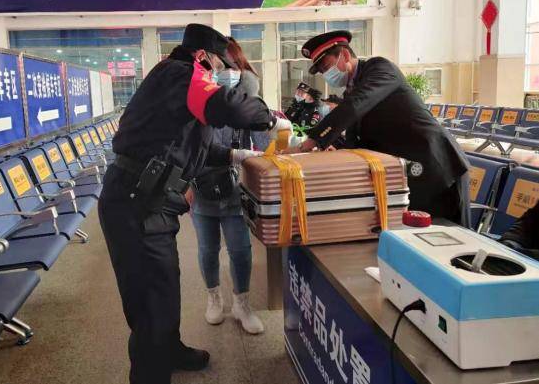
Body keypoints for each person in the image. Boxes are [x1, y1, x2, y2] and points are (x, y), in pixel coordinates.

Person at [98, 23, 291, 384]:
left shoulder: (173, 79)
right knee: (150, 300)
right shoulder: (182, 74)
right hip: (137, 202)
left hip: (151, 199)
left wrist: (234, 154)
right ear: (202, 56)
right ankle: (150, 375)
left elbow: (190, 145)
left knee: (165, 285)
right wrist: (270, 118)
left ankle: (170, 350)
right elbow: (226, 106)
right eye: (219, 66)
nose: (220, 74)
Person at [290, 30, 471, 227]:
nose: (326, 75)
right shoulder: (353, 89)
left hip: (436, 166)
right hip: (408, 174)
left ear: (345, 55)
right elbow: (354, 137)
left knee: (447, 237)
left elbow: (355, 106)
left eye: (326, 67)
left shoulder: (380, 69)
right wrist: (335, 150)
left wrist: (311, 142)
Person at [190, 37, 266, 335]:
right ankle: (214, 298)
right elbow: (192, 148)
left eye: (231, 66)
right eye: (219, 66)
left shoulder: (246, 101)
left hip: (236, 190)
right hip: (202, 188)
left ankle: (242, 304)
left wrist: (273, 129)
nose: (225, 73)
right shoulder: (198, 98)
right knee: (207, 250)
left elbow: (264, 142)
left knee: (241, 250)